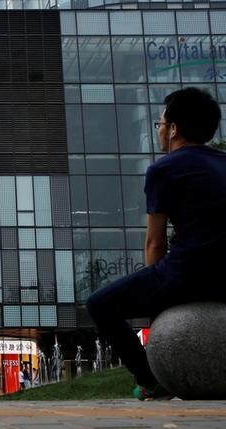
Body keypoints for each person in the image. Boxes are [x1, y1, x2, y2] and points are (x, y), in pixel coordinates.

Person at [87, 87, 225, 401]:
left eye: (161, 124)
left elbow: (155, 242)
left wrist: (156, 306)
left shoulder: (164, 168)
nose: (160, 131)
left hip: (187, 273)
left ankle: (149, 378)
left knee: (100, 304)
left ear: (174, 129)